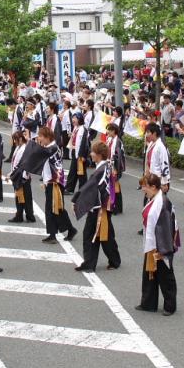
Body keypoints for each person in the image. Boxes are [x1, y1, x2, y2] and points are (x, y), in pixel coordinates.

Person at [72, 142, 121, 272]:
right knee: (105, 235)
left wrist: (76, 199)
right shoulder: (106, 166)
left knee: (91, 234)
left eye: (93, 152)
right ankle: (114, 260)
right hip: (104, 205)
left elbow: (89, 187)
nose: (91, 154)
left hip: (100, 207)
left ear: (99, 155)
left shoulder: (101, 170)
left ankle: (90, 263)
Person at [137, 174, 178, 316]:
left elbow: (167, 228)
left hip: (161, 244)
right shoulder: (154, 198)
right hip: (152, 242)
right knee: (149, 273)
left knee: (165, 276)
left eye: (145, 186)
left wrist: (164, 250)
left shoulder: (163, 202)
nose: (143, 189)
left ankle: (170, 305)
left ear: (154, 187)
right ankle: (148, 303)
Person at [8, 131, 36, 223]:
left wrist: (13, 174)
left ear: (20, 139)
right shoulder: (18, 147)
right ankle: (23, 215)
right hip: (18, 175)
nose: (14, 142)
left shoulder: (24, 148)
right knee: (21, 196)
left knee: (24, 197)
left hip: (22, 176)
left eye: (15, 140)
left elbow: (24, 164)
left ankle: (27, 216)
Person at [65, 112, 90, 195]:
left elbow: (84, 144)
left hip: (80, 154)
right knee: (73, 171)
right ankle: (69, 189)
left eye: (75, 118)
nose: (73, 120)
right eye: (73, 118)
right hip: (74, 151)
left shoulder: (83, 129)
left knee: (81, 173)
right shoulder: (76, 128)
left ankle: (83, 190)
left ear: (80, 119)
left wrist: (82, 155)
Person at [105, 123, 125, 215]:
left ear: (113, 131)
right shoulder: (110, 139)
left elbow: (118, 157)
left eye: (109, 130)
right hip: (109, 164)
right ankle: (117, 206)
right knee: (112, 186)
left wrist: (116, 169)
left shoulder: (117, 141)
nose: (107, 131)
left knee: (115, 186)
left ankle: (116, 207)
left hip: (114, 166)